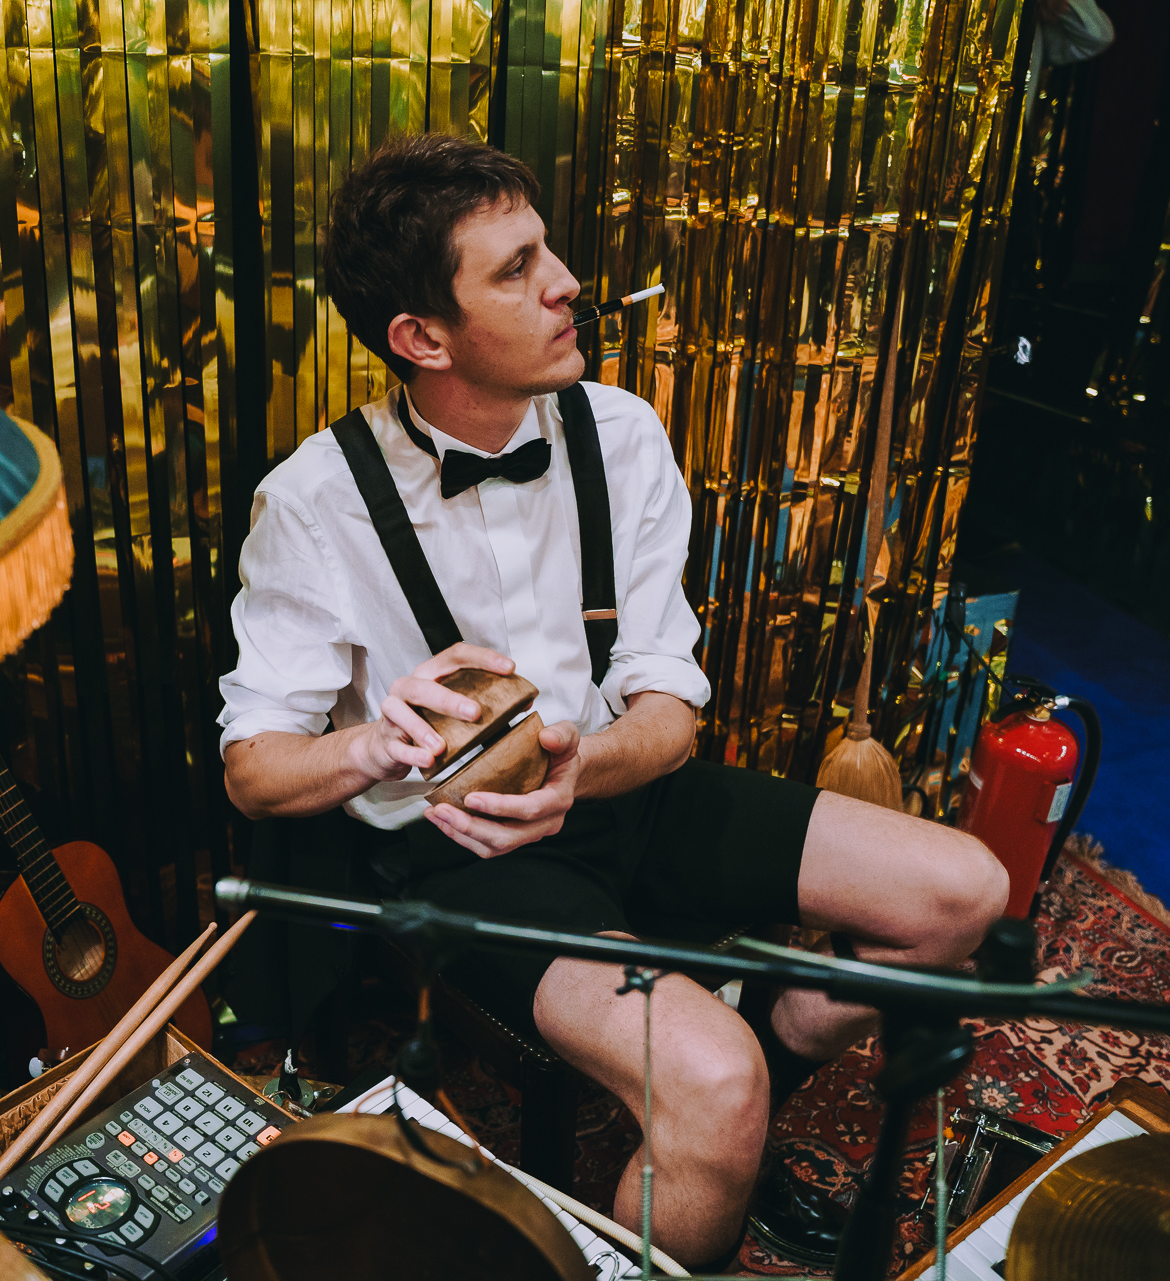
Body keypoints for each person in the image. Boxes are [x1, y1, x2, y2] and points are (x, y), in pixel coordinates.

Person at [218, 133, 1008, 1270]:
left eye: (546, 250)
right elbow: (255, 770)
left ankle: (772, 1041)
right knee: (714, 1081)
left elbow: (670, 706)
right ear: (422, 338)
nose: (567, 283)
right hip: (469, 855)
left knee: (964, 894)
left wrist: (585, 767)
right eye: (516, 268)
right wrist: (378, 743)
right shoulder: (312, 500)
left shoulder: (623, 433)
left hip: (625, 783)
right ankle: (723, 1097)